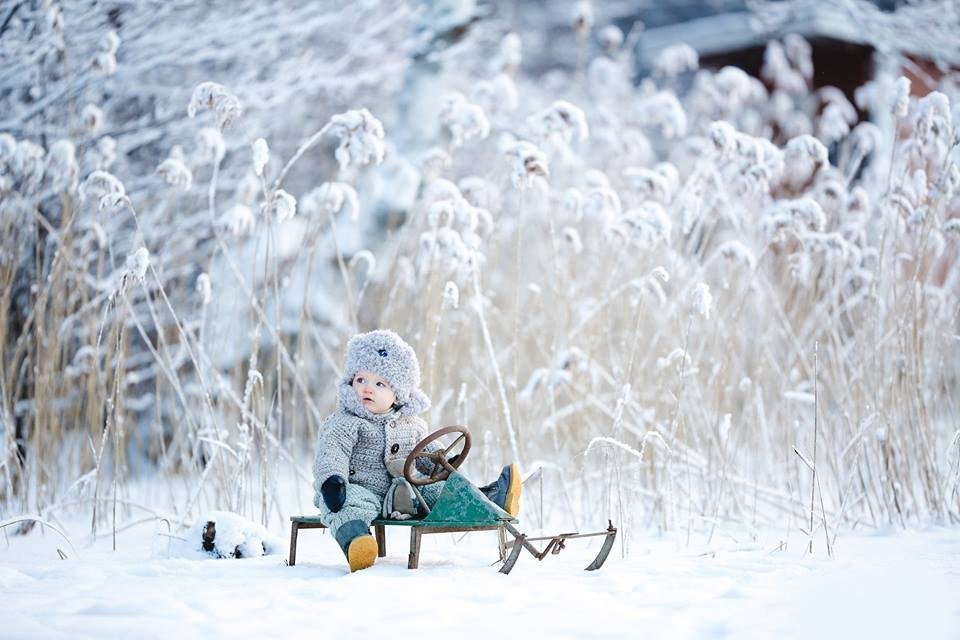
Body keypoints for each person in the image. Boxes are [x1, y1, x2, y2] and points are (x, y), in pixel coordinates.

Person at [312, 329, 521, 572]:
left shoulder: (411, 425)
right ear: (350, 380)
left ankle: (491, 499)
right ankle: (357, 541)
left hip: (407, 490)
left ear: (397, 394)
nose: (367, 389)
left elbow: (428, 454)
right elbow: (331, 452)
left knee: (439, 489)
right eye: (360, 380)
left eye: (379, 383)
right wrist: (332, 480)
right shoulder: (345, 422)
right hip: (362, 489)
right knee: (346, 504)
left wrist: (443, 462)